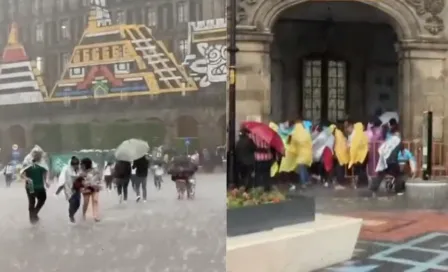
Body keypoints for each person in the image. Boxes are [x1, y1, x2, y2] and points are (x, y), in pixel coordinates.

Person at [20, 150, 49, 224]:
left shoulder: (41, 163)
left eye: (40, 155)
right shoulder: (28, 162)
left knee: (43, 198)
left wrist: (46, 181)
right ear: (33, 155)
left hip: (40, 186)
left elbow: (45, 171)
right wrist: (26, 178)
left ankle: (35, 213)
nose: (39, 156)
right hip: (30, 186)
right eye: (37, 155)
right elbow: (22, 173)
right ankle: (32, 221)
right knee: (31, 202)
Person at [56, 156, 81, 223]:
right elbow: (62, 180)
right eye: (74, 165)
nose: (76, 166)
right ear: (72, 165)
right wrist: (58, 191)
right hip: (68, 189)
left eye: (77, 165)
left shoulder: (79, 169)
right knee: (72, 203)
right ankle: (71, 216)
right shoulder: (66, 170)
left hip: (77, 189)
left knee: (78, 204)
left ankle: (72, 214)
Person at [347, 120, 369, 187]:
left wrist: (352, 158)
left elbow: (353, 147)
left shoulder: (356, 136)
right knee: (363, 169)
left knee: (356, 169)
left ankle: (356, 183)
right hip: (365, 156)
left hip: (357, 157)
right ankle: (364, 182)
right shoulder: (364, 135)